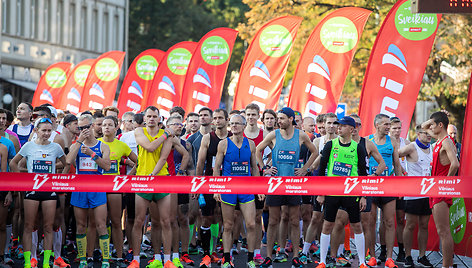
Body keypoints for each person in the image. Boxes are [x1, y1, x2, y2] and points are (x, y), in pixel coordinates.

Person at [256, 107, 317, 268]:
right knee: (273, 220)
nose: (278, 121)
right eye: (278, 118)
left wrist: (305, 169)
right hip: (276, 184)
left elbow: (314, 152)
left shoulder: (300, 135)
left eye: (282, 118)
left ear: (291, 119)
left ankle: (296, 257)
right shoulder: (274, 135)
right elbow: (257, 150)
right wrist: (264, 169)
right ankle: (269, 256)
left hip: (293, 185)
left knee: (294, 221)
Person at [10, 118, 67, 268]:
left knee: (48, 227)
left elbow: (66, 163)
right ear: (36, 131)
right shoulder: (29, 146)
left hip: (49, 191)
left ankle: (47, 263)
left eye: (49, 131)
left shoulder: (56, 147)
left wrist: (56, 175)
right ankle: (29, 262)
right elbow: (13, 163)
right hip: (32, 191)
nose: (47, 133)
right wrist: (23, 182)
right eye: (44, 130)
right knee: (29, 226)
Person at [315, 116, 368, 268]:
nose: (339, 128)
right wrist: (321, 192)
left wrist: (363, 196)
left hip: (351, 193)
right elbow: (322, 170)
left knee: (357, 226)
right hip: (332, 191)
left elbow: (363, 173)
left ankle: (363, 262)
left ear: (352, 129)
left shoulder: (358, 147)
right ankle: (323, 261)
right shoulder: (330, 145)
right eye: (339, 125)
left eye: (343, 126)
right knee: (327, 225)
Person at [127, 106, 177, 268]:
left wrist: (152, 176)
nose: (151, 119)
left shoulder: (167, 135)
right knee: (139, 221)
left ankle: (166, 260)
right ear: (145, 118)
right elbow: (149, 147)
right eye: (149, 116)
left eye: (154, 116)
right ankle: (135, 259)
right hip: (143, 179)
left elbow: (163, 159)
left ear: (159, 119)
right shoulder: (140, 132)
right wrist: (166, 134)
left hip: (161, 179)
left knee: (165, 221)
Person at [213, 114, 263, 268]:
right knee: (227, 225)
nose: (233, 126)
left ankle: (250, 259)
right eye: (232, 124)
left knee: (252, 224)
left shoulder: (251, 144)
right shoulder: (223, 144)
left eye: (237, 124)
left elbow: (255, 168)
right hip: (228, 189)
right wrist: (217, 189)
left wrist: (259, 188)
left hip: (246, 189)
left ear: (243, 125)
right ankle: (227, 259)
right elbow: (216, 168)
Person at [66, 114, 111, 268]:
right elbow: (68, 161)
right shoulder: (76, 144)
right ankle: (83, 259)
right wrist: (78, 142)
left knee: (101, 224)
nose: (84, 130)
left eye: (86, 127)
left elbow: (106, 166)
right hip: (79, 188)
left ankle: (105, 259)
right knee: (80, 225)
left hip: (97, 188)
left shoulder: (103, 146)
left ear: (92, 126)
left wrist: (92, 154)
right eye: (80, 128)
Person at [99, 116, 137, 268]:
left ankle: (119, 255)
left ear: (116, 128)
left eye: (110, 125)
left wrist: (128, 176)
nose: (106, 127)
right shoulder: (96, 143)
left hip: (115, 187)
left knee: (116, 222)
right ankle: (100, 253)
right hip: (98, 186)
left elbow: (138, 161)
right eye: (104, 125)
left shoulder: (121, 145)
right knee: (99, 222)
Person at [422, 111, 459, 268]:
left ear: (440, 126)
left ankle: (446, 266)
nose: (430, 127)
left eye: (433, 124)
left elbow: (455, 164)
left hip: (440, 190)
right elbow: (423, 127)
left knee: (443, 231)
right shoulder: (439, 140)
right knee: (441, 231)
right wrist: (436, 117)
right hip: (436, 189)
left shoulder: (446, 141)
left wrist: (445, 183)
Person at [196, 109, 231, 268]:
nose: (217, 121)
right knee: (207, 217)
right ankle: (206, 254)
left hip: (230, 182)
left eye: (220, 118)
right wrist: (197, 185)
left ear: (227, 119)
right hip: (210, 181)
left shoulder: (233, 136)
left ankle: (219, 251)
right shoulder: (207, 138)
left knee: (225, 219)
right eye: (215, 118)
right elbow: (200, 163)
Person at [350, 114, 386, 265]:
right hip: (346, 188)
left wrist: (374, 175)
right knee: (339, 221)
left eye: (357, 124)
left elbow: (382, 164)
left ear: (360, 126)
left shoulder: (367, 144)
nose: (354, 128)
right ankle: (337, 254)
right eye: (351, 125)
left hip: (363, 187)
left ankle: (368, 256)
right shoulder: (337, 144)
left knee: (366, 222)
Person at [366, 114, 402, 268]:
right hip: (372, 186)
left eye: (389, 124)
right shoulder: (368, 141)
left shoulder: (392, 141)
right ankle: (372, 256)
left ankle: (389, 257)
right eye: (385, 124)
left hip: (389, 186)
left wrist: (400, 186)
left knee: (389, 222)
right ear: (377, 125)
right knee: (371, 222)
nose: (388, 127)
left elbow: (397, 164)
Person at [398, 125, 434, 268]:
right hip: (413, 192)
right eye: (426, 133)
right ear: (418, 134)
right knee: (411, 224)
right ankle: (407, 256)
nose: (429, 136)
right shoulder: (412, 147)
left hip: (428, 192)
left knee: (424, 225)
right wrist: (401, 173)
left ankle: (422, 255)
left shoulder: (432, 148)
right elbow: (396, 154)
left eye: (430, 133)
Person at [389, 117, 409, 262]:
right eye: (394, 128)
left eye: (398, 128)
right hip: (386, 186)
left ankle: (401, 251)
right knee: (386, 220)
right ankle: (383, 250)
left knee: (401, 219)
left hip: (401, 185)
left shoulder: (406, 143)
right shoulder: (383, 143)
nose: (397, 131)